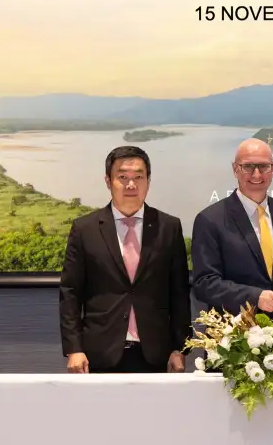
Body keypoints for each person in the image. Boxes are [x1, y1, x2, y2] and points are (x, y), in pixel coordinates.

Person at [59, 146, 191, 373]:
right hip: (98, 353)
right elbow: (70, 292)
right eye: (122, 177)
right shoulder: (85, 229)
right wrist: (74, 348)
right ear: (108, 181)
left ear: (148, 181)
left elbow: (179, 293)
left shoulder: (169, 227)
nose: (131, 184)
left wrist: (180, 348)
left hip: (156, 353)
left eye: (138, 177)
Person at [191, 138, 273, 315]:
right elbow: (205, 284)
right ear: (235, 169)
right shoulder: (209, 220)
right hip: (235, 328)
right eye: (248, 167)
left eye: (263, 166)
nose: (257, 174)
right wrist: (254, 297)